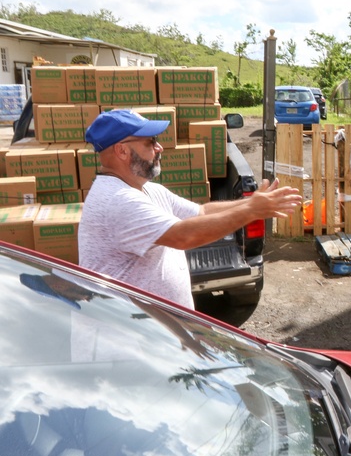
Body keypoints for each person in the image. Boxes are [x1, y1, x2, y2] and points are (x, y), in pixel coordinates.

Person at [78, 109, 302, 309]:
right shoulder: (117, 200)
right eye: (150, 141)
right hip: (134, 343)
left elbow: (201, 213)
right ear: (122, 151)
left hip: (153, 335)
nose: (159, 147)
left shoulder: (146, 190)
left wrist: (252, 202)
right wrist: (251, 210)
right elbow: (184, 235)